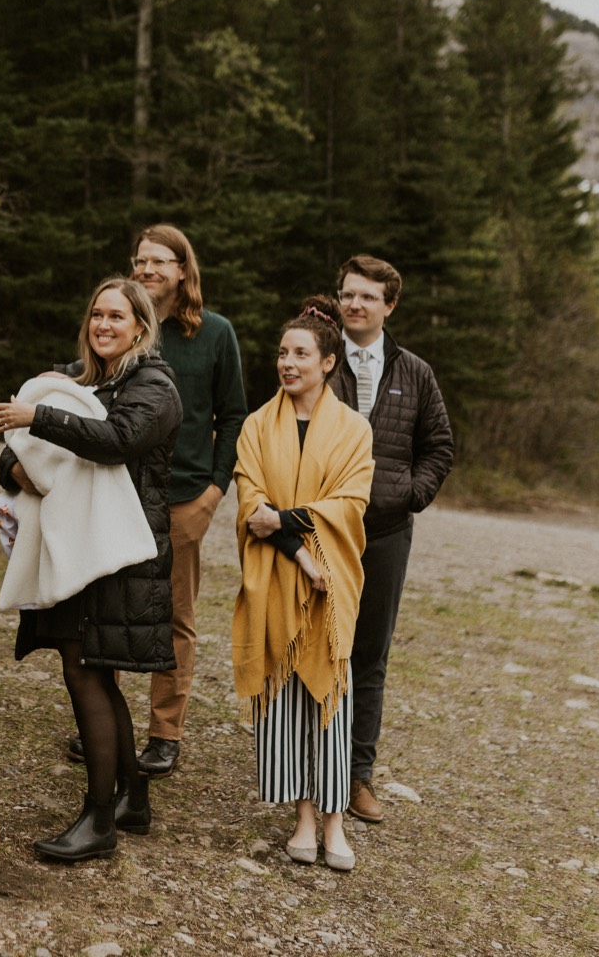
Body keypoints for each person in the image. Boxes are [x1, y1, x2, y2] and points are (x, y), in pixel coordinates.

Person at [0, 277, 182, 862]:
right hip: (75, 545)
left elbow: (116, 440)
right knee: (89, 670)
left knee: (86, 672)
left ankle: (100, 818)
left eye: (117, 317)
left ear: (141, 328)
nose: (104, 325)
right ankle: (132, 799)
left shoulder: (155, 386)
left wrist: (38, 417)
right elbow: (15, 449)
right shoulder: (74, 380)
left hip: (120, 552)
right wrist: (16, 470)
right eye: (96, 314)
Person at [72, 224, 245, 779]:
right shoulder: (121, 326)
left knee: (173, 615)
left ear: (182, 270)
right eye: (139, 259)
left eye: (159, 261)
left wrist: (215, 491)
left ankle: (164, 734)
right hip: (116, 490)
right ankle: (105, 723)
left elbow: (233, 415)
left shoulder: (215, 334)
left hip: (185, 496)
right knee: (108, 607)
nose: (146, 269)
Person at [232, 295, 374, 871]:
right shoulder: (256, 426)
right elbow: (250, 499)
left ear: (328, 363)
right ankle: (303, 818)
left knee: (332, 698)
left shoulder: (353, 430)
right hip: (279, 575)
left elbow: (350, 501)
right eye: (282, 353)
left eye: (300, 354)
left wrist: (288, 524)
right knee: (285, 694)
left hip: (332, 582)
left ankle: (337, 823)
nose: (288, 363)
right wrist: (295, 552)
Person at [327, 255, 453, 823]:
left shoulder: (415, 372)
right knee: (318, 646)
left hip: (385, 533)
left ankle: (357, 775)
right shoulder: (320, 362)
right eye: (348, 295)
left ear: (389, 306)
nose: (356, 304)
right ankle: (313, 768)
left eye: (368, 297)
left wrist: (408, 495)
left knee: (368, 657)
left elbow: (440, 446)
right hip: (323, 530)